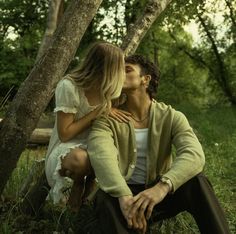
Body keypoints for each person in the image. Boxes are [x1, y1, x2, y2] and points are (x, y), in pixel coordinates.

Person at [87, 54, 230, 233]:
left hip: (159, 193)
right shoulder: (107, 120)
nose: (119, 74)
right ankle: (131, 219)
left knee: (198, 182)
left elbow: (194, 154)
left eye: (127, 70)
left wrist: (162, 187)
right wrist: (123, 195)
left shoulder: (171, 116)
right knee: (104, 197)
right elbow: (102, 156)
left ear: (145, 79)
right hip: (124, 197)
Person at [45, 42, 129, 211]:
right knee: (82, 159)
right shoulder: (69, 87)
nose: (122, 74)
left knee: (105, 156)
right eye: (120, 68)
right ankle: (77, 186)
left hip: (95, 147)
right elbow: (65, 134)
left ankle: (89, 191)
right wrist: (96, 113)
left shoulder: (109, 91)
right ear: (106, 68)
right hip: (67, 150)